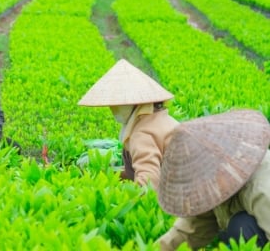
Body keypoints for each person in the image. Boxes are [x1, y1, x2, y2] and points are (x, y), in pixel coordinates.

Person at [156, 109, 270, 250]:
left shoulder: (262, 188)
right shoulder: (215, 185)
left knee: (241, 226)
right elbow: (193, 228)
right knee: (229, 231)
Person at [78, 59, 179, 189]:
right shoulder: (158, 118)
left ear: (132, 104)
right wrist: (110, 176)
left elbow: (149, 182)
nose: (113, 109)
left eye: (117, 104)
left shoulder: (142, 134)